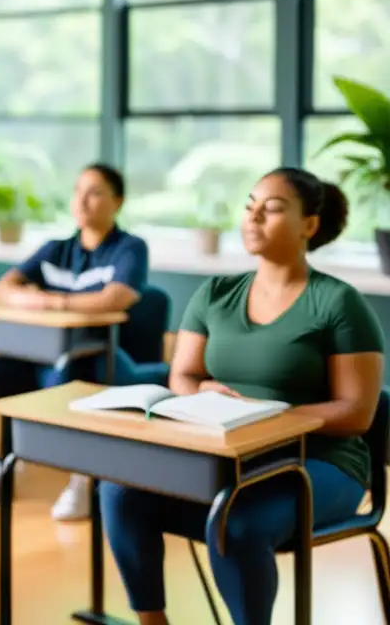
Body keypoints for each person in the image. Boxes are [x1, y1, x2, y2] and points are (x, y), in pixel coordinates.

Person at [100, 167, 384, 625]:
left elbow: (357, 413)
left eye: (271, 209)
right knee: (120, 493)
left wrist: (266, 417)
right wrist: (203, 391)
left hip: (322, 464)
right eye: (250, 206)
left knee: (236, 522)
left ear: (308, 226)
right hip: (233, 456)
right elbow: (184, 376)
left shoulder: (338, 303)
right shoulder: (215, 294)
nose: (253, 217)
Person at [0, 163, 156, 519]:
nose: (82, 201)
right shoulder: (56, 249)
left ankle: (83, 480)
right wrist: (41, 300)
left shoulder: (130, 248)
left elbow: (116, 298)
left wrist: (51, 300)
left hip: (96, 360)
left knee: (62, 381)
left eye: (95, 192)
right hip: (36, 357)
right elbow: (4, 287)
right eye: (77, 191)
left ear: (117, 201)